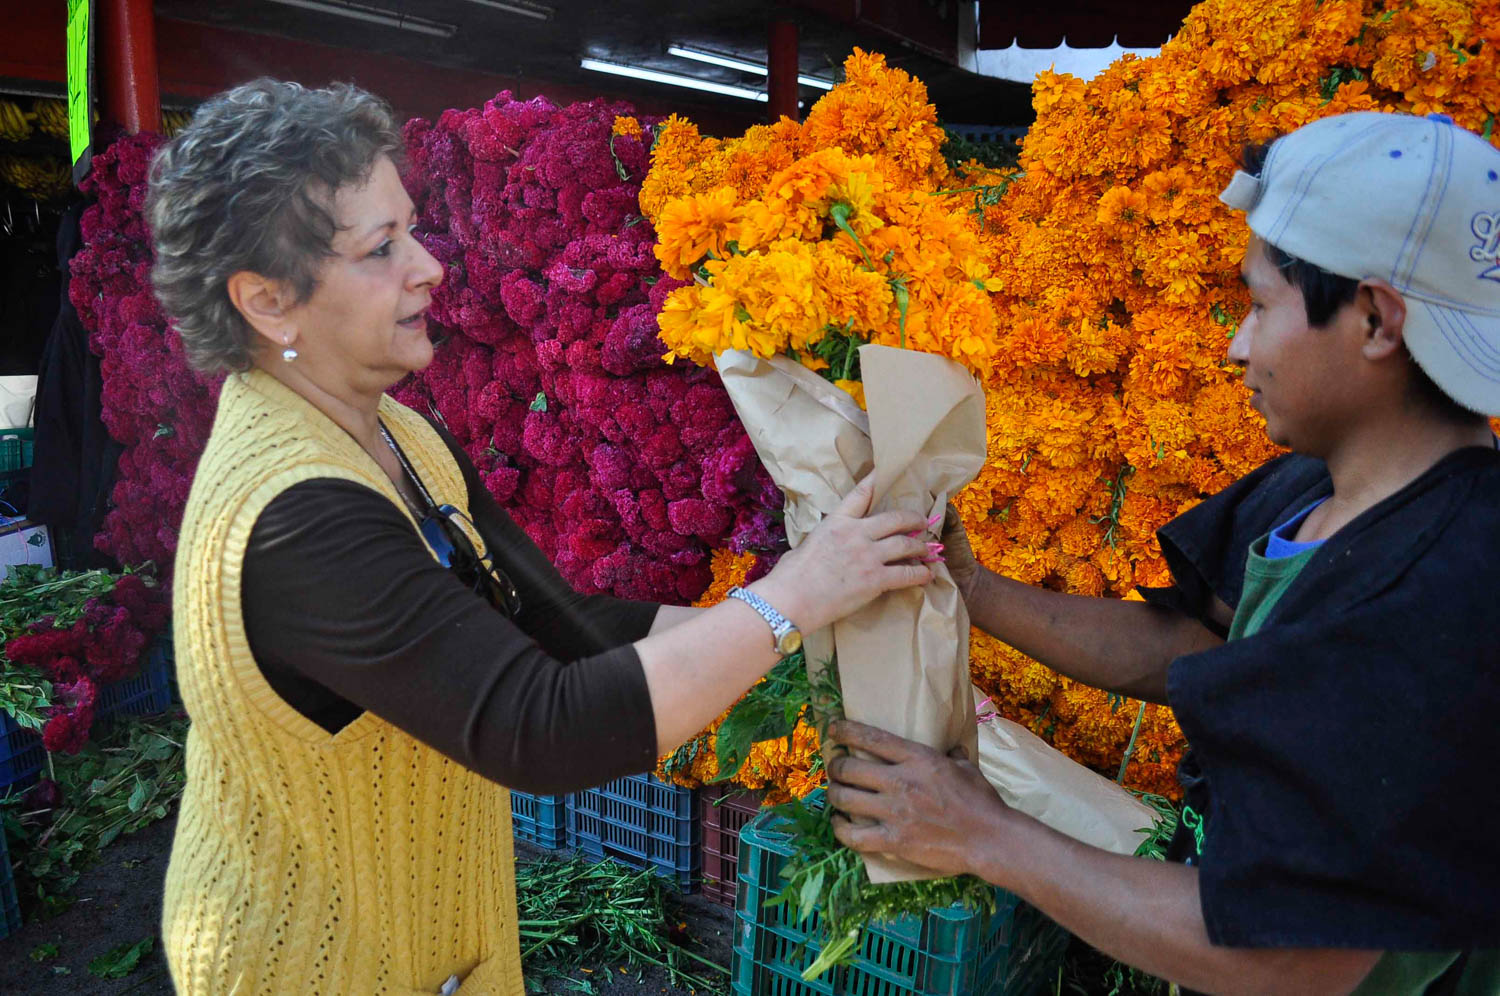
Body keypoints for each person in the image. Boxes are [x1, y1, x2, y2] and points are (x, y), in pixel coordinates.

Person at [151, 79, 937, 995]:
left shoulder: (397, 434)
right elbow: (541, 726)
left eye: (411, 228)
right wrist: (793, 595)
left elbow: (562, 623)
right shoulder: (294, 516)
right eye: (381, 248)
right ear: (268, 302)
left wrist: (818, 642)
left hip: (428, 941)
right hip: (310, 960)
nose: (429, 266)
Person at [825, 111, 1500, 995]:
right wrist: (974, 589)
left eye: (1260, 306)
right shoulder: (1322, 486)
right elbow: (1201, 648)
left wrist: (987, 836)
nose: (1238, 343)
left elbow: (1289, 956)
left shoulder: (1443, 590)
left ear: (1375, 319)